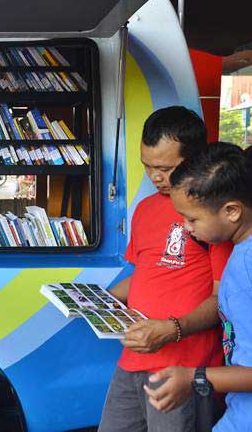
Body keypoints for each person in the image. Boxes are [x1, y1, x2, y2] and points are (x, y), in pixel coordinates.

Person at [145, 142, 252, 432]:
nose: (186, 228)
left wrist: (195, 378)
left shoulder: (249, 268)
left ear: (233, 211)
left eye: (192, 218)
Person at [99, 106, 233, 432]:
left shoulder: (212, 215)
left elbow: (224, 298)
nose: (155, 177)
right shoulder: (144, 210)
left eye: (165, 167)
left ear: (196, 159)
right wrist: (95, 300)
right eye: (147, 167)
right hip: (132, 361)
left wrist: (173, 329)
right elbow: (148, 274)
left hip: (184, 367)